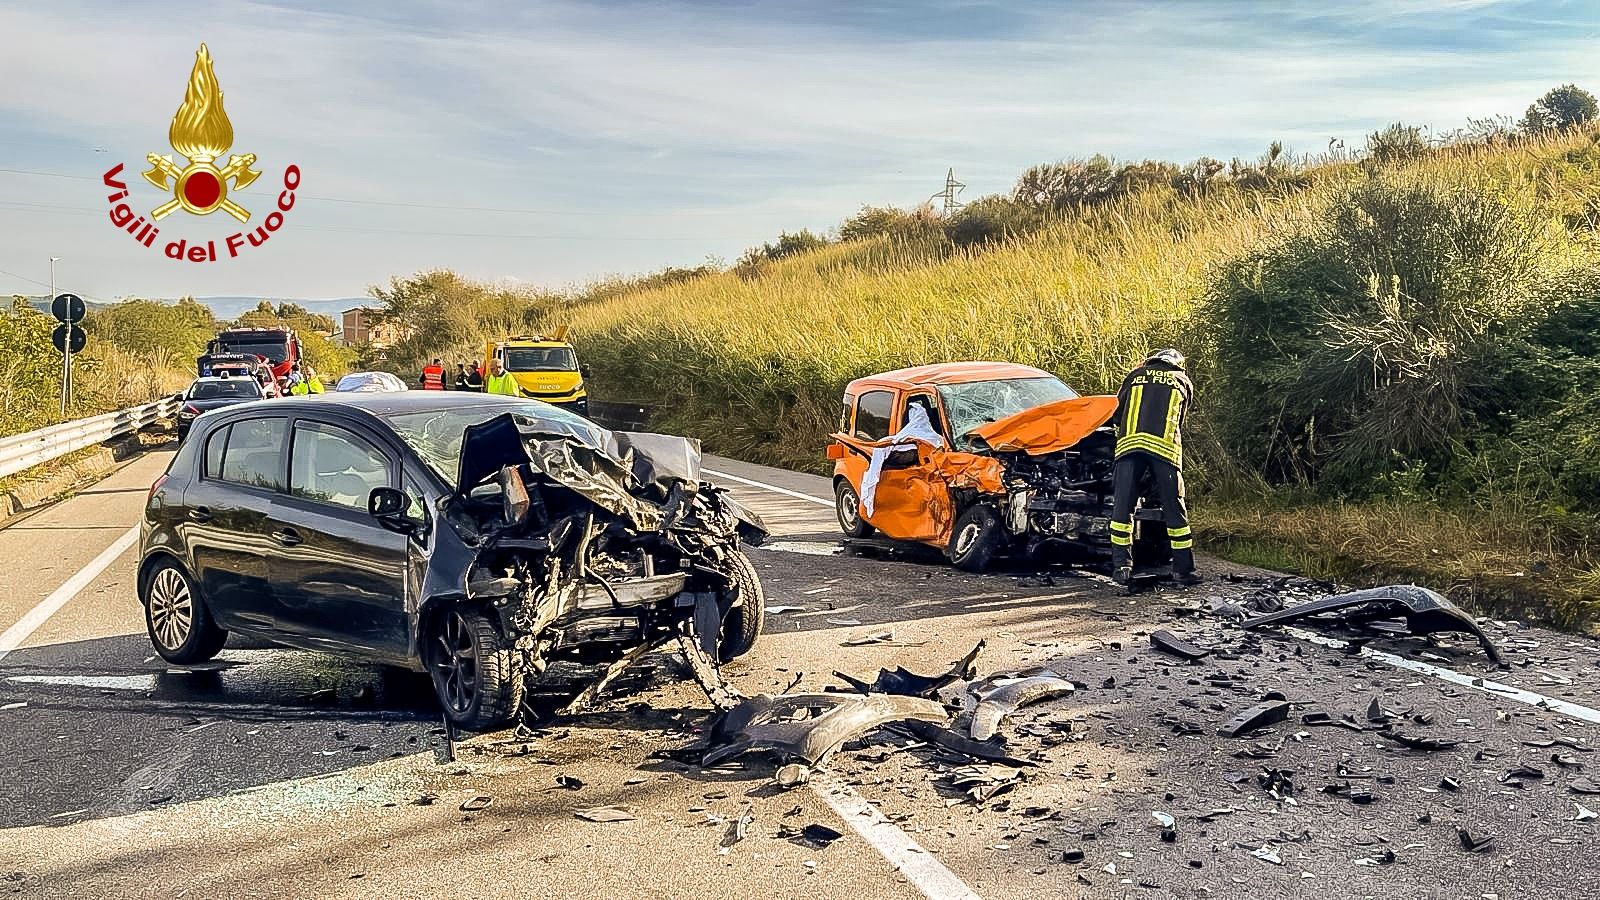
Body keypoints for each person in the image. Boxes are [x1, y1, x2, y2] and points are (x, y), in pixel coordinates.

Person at [1109, 348, 1201, 586]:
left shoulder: (1135, 375)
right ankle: (1183, 570)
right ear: (1178, 364)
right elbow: (1180, 419)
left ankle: (1121, 567)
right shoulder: (1182, 380)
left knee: (1122, 509)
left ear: (1152, 360)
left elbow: (1116, 414)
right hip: (1164, 450)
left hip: (1129, 448)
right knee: (1174, 508)